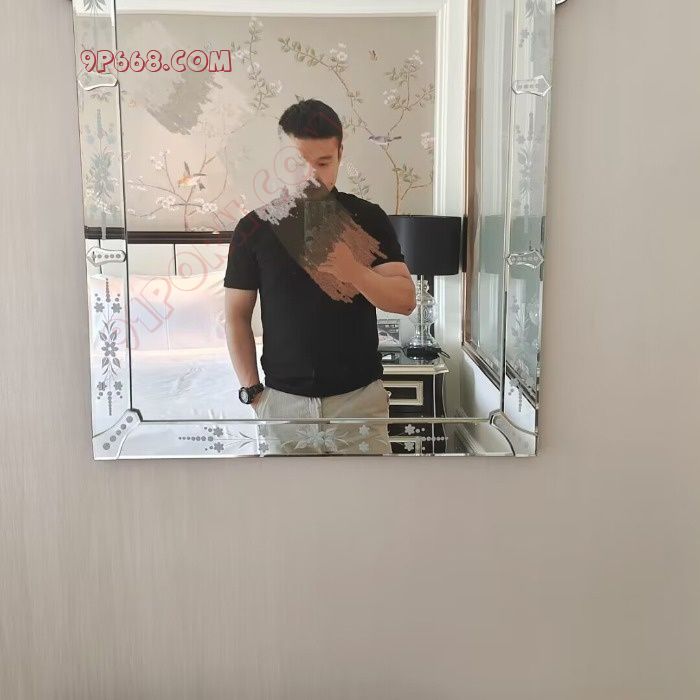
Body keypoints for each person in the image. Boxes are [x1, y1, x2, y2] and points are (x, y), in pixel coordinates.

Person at [223, 99, 416, 455]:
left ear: (340, 154)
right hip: (282, 404)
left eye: (323, 163)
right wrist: (253, 392)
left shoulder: (367, 219)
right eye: (299, 162)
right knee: (289, 495)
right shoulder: (254, 229)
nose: (311, 175)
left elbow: (405, 301)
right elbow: (236, 316)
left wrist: (353, 270)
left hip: (358, 401)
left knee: (371, 494)